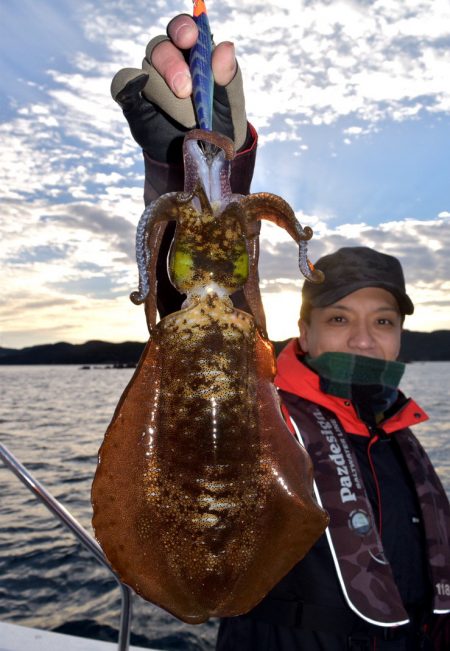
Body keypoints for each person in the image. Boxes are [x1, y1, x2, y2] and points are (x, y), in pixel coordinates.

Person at [111, 13, 450, 650]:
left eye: (382, 321)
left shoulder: (402, 433)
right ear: (300, 326)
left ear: (403, 332)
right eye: (339, 319)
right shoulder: (262, 399)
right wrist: (198, 164)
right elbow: (202, 298)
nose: (362, 338)